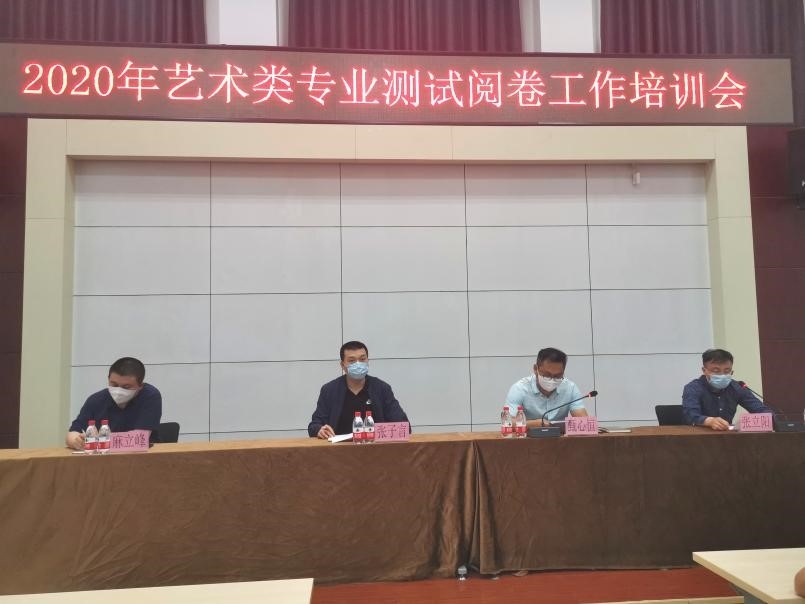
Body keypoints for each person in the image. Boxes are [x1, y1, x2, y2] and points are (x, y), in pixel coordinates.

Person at [308, 341, 410, 439]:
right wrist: (319, 430)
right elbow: (314, 425)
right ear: (342, 365)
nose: (358, 364)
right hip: (339, 448)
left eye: (362, 359)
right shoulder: (329, 390)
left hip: (375, 447)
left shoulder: (381, 388)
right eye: (352, 360)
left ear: (368, 361)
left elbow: (404, 426)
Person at [66, 357, 162, 450]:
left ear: (140, 386)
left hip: (143, 456)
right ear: (108, 379)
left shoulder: (150, 396)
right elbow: (72, 433)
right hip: (104, 456)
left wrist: (99, 441)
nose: (119, 390)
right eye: (114, 384)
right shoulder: (96, 400)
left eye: (126, 387)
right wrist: (77, 441)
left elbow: (139, 439)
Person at [681, 348, 773, 430]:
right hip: (698, 436)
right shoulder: (693, 388)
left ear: (732, 372)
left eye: (727, 371)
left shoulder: (737, 387)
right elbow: (690, 415)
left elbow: (762, 410)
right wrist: (709, 421)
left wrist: (767, 419)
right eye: (716, 371)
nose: (722, 375)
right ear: (704, 371)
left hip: (727, 437)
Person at [505, 347, 589, 428]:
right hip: (530, 436)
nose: (552, 380)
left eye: (557, 376)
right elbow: (508, 422)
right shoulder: (520, 388)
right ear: (535, 369)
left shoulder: (570, 388)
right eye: (547, 375)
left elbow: (584, 422)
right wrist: (533, 424)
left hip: (560, 437)